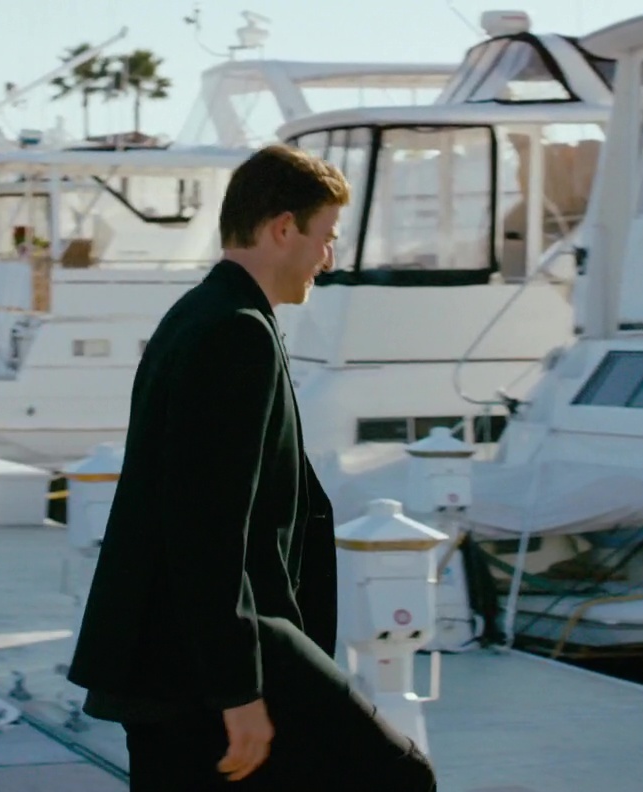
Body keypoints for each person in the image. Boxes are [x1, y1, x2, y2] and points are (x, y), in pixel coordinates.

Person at [66, 143, 437, 792]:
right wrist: (238, 692)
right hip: (213, 662)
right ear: (284, 229)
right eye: (326, 237)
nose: (329, 259)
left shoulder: (201, 314)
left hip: (174, 660)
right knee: (400, 779)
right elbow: (205, 526)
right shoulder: (235, 332)